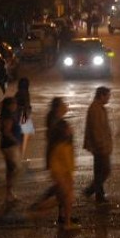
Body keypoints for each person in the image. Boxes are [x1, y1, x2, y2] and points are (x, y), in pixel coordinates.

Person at [46, 97, 80, 230]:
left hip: (60, 163)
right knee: (67, 195)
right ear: (59, 108)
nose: (67, 106)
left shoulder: (55, 121)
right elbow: (62, 147)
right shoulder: (59, 124)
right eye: (64, 104)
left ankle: (64, 217)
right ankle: (66, 222)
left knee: (63, 194)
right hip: (62, 164)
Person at [83, 86, 112, 204]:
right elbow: (96, 130)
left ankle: (99, 195)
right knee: (105, 171)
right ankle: (90, 190)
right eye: (108, 96)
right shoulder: (95, 109)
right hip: (100, 147)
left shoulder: (99, 107)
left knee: (99, 171)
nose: (109, 99)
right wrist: (102, 145)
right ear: (101, 96)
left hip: (100, 145)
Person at [0, 97, 22, 205]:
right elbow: (6, 132)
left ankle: (9, 193)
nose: (15, 106)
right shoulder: (8, 117)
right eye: (12, 104)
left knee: (11, 169)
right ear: (7, 106)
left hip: (8, 146)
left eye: (15, 104)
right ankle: (9, 192)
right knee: (16, 169)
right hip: (9, 146)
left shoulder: (10, 115)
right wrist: (16, 141)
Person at [15, 78, 34, 160]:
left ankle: (20, 155)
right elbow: (26, 105)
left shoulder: (18, 93)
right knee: (25, 136)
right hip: (23, 116)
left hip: (20, 115)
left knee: (22, 136)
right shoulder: (25, 93)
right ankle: (21, 156)